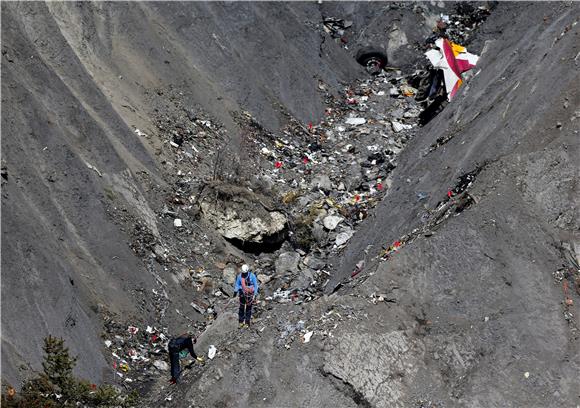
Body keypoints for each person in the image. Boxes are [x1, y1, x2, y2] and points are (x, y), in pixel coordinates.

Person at [234, 264, 259, 328]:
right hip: (242, 294)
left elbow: (256, 285)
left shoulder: (252, 276)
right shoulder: (240, 276)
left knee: (248, 309)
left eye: (245, 273)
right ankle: (241, 322)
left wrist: (255, 294)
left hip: (250, 295)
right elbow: (237, 284)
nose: (244, 274)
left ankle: (247, 322)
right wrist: (235, 291)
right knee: (241, 308)